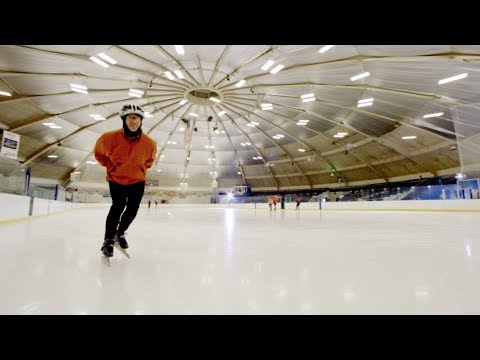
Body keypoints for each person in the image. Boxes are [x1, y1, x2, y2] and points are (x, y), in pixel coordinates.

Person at [94, 104, 157, 258]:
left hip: (137, 180)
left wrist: (139, 169)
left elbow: (149, 161)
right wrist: (113, 167)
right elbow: (99, 155)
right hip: (116, 179)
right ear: (124, 119)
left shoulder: (149, 143)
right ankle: (108, 240)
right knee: (118, 206)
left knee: (133, 209)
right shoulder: (108, 138)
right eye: (130, 118)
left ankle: (119, 233)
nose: (133, 122)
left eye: (136, 118)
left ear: (141, 120)